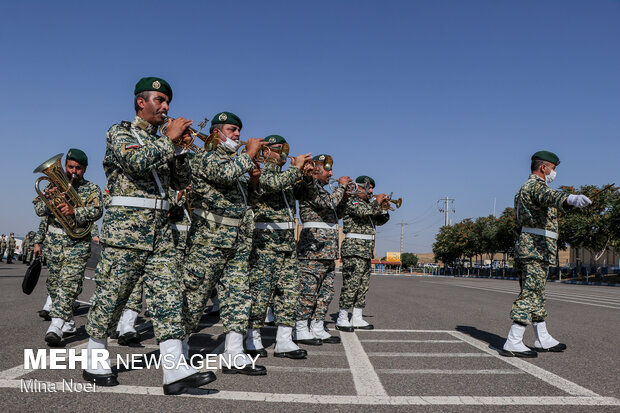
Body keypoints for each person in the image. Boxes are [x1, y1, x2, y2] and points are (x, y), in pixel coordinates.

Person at [84, 77, 215, 394]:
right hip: (126, 231)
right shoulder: (120, 132)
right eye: (160, 100)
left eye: (168, 101)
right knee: (112, 297)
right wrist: (169, 141)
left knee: (171, 298)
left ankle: (174, 369)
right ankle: (93, 355)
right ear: (141, 102)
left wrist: (182, 150)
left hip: (160, 233)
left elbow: (181, 182)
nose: (166, 106)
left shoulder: (165, 142)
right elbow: (136, 162)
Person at [182, 112, 266, 375]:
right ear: (218, 132)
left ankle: (234, 354)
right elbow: (224, 175)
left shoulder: (236, 161)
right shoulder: (206, 156)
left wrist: (253, 177)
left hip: (238, 240)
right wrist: (249, 154)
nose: (238, 134)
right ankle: (179, 350)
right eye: (233, 129)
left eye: (240, 130)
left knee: (238, 297)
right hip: (209, 237)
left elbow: (247, 196)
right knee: (195, 295)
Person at [501, 151, 591, 357]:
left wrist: (569, 202)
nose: (554, 172)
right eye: (554, 168)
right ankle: (513, 340)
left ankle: (542, 338)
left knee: (537, 295)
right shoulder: (534, 186)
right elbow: (550, 196)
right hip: (534, 249)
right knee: (530, 294)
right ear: (544, 168)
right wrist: (570, 198)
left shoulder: (530, 189)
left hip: (536, 248)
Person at [245, 135, 315, 359]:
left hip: (286, 245)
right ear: (265, 152)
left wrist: (307, 176)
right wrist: (296, 169)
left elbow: (308, 195)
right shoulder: (260, 172)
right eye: (278, 149)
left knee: (290, 292)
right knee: (260, 292)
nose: (284, 154)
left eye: (285, 149)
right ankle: (252, 338)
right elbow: (271, 185)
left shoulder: (288, 177)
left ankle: (284, 340)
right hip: (265, 244)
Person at [32, 149, 103, 346]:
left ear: (85, 169)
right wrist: (49, 198)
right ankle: (68, 321)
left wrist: (75, 211)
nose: (74, 171)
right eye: (70, 167)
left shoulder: (91, 189)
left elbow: (97, 211)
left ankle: (55, 327)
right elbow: (39, 210)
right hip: (54, 245)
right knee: (54, 285)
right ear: (65, 166)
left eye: (78, 168)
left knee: (69, 284)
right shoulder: (52, 185)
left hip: (77, 244)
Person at [295, 154, 350, 344]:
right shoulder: (309, 189)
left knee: (326, 293)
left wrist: (345, 197)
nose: (331, 173)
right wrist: (341, 187)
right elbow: (329, 204)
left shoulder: (325, 192)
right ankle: (300, 327)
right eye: (327, 169)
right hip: (312, 251)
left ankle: (317, 327)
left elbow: (337, 211)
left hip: (328, 251)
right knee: (308, 292)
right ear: (316, 170)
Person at [336, 176, 390, 331]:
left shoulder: (369, 205)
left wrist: (384, 207)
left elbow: (380, 220)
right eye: (369, 187)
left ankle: (357, 317)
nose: (372, 191)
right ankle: (342, 317)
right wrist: (376, 202)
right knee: (351, 284)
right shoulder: (352, 201)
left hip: (366, 250)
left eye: (372, 187)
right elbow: (362, 212)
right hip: (354, 249)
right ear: (359, 187)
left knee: (363, 285)